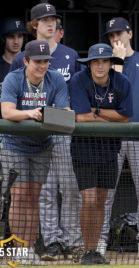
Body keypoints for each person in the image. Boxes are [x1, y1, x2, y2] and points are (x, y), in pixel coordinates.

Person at [8, 3, 83, 261]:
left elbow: (69, 103)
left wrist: (55, 114)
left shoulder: (69, 56)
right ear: (35, 25)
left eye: (54, 19)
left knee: (67, 187)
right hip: (24, 138)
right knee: (34, 193)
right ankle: (44, 242)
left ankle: (71, 241)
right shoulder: (19, 62)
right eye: (45, 19)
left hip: (57, 132)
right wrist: (31, 112)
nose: (50, 24)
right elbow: (10, 102)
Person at [0, 40, 69, 265]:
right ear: (26, 61)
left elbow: (64, 114)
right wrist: (31, 114)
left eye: (46, 61)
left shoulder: (56, 78)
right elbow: (7, 112)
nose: (42, 66)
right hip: (13, 145)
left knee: (33, 197)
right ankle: (20, 252)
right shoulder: (14, 78)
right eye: (38, 61)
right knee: (19, 197)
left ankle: (29, 250)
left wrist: (47, 115)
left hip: (42, 146)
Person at [69, 43, 133, 265]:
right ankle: (87, 251)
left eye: (104, 61)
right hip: (83, 148)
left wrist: (95, 111)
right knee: (89, 200)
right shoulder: (79, 79)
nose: (99, 65)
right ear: (90, 64)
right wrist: (108, 115)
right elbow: (79, 116)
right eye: (95, 61)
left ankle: (95, 250)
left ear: (110, 63)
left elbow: (125, 118)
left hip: (109, 149)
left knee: (101, 202)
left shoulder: (122, 82)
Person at [98, 16, 139, 259]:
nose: (115, 39)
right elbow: (109, 99)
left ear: (130, 34)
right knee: (106, 192)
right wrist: (117, 63)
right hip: (112, 137)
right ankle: (99, 241)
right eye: (111, 36)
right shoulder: (103, 65)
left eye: (119, 34)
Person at [0, 17, 26, 87]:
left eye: (20, 36)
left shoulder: (32, 64)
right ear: (3, 39)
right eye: (11, 37)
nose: (16, 42)